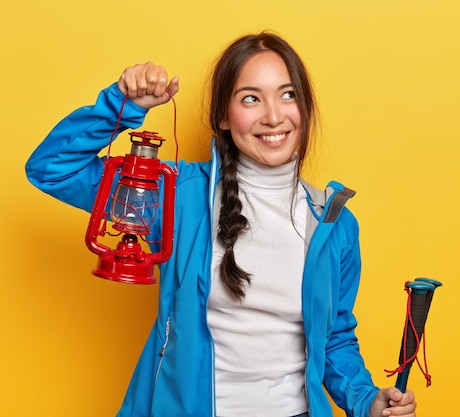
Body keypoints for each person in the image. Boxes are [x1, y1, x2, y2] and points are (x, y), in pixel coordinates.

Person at [25, 32, 417, 417]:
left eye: (288, 94)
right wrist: (120, 105)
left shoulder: (335, 223)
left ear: (305, 107)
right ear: (223, 118)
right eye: (251, 98)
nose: (274, 115)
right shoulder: (176, 195)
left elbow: (333, 340)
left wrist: (365, 400)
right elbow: (53, 170)